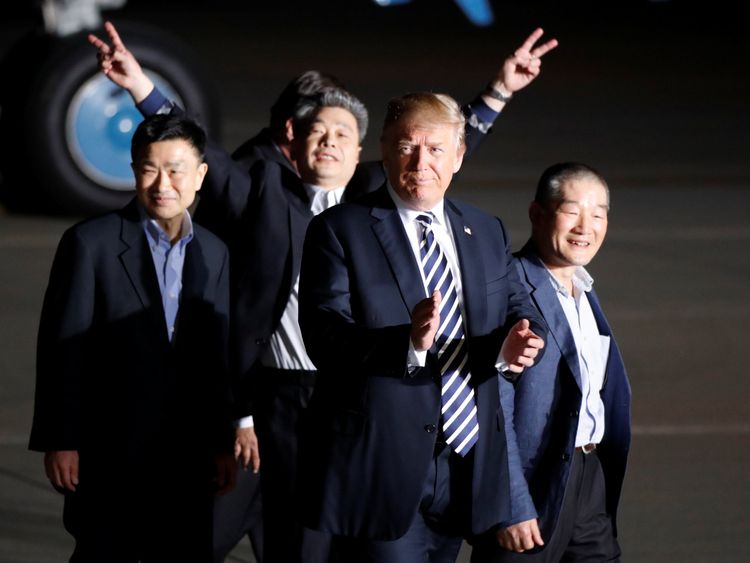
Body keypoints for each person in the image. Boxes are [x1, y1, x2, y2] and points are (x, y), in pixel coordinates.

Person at [88, 21, 557, 563]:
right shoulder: (260, 191)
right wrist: (140, 87)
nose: (330, 142)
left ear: (363, 152)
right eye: (318, 132)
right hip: (272, 392)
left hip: (354, 395)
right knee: (209, 528)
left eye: (343, 135)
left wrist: (499, 92)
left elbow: (438, 144)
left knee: (320, 544)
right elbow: (201, 153)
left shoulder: (372, 195)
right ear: (292, 141)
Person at [296, 92, 547, 563]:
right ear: (386, 150)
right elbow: (324, 337)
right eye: (408, 146)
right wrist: (406, 344)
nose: (421, 161)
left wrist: (520, 342)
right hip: (386, 466)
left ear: (458, 156)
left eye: (435, 149)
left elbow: (520, 309)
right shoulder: (340, 229)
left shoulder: (484, 228)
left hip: (469, 466)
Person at [28, 113, 236, 562]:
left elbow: (216, 357)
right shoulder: (91, 243)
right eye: (148, 168)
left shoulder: (215, 253)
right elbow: (63, 347)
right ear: (134, 171)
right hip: (110, 451)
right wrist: (61, 439)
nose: (162, 183)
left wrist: (222, 443)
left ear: (200, 175)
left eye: (176, 169)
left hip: (187, 456)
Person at [471, 162, 632, 562]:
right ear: (537, 214)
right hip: (532, 487)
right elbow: (490, 406)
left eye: (598, 214)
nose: (585, 226)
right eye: (571, 210)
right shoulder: (508, 283)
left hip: (587, 478)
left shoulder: (582, 287)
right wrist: (510, 502)